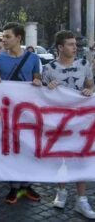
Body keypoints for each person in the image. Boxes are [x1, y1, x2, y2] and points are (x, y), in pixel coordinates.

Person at [43, 30, 95, 219]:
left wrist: (89, 90)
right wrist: (48, 89)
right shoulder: (48, 69)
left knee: (81, 158)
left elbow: (90, 84)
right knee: (61, 158)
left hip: (81, 120)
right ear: (60, 47)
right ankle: (61, 191)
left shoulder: (84, 64)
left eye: (75, 44)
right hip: (58, 121)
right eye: (71, 44)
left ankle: (82, 200)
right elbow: (41, 97)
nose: (75, 47)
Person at [0, 22, 42, 204]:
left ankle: (26, 185)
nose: (4, 40)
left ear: (19, 38)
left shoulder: (33, 58)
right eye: (3, 36)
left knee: (28, 148)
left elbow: (37, 78)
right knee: (11, 149)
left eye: (7, 36)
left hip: (28, 114)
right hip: (6, 113)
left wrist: (38, 82)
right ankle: (13, 187)